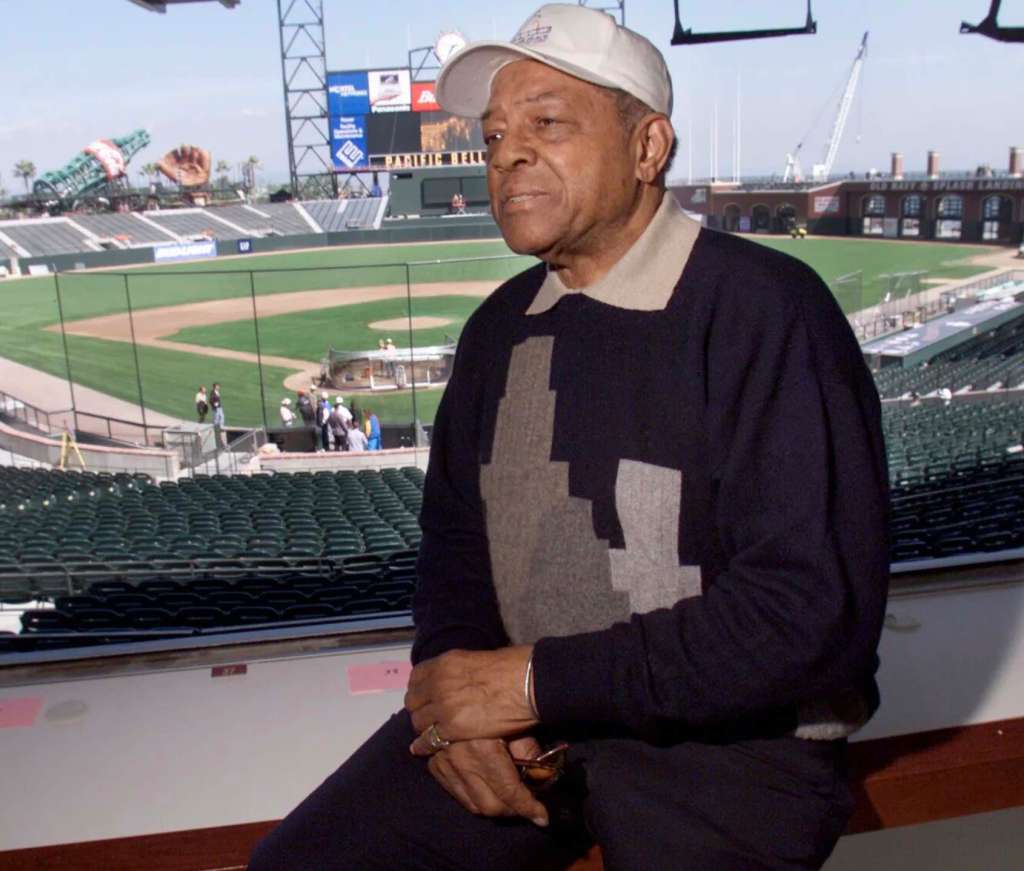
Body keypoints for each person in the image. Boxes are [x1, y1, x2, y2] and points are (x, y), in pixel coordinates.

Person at [251, 6, 888, 870]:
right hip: (537, 729)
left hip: (732, 747)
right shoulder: (496, 331)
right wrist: (457, 704)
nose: (506, 154)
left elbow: (807, 617)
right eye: (494, 135)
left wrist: (528, 682)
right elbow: (456, 551)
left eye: (547, 123)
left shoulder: (769, 311)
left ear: (647, 147)